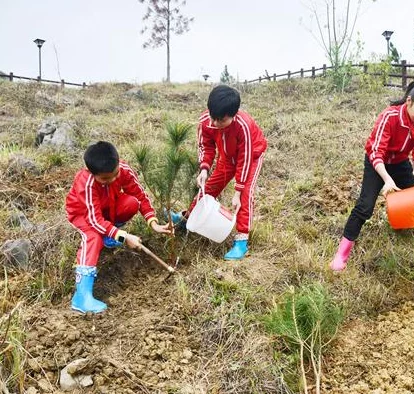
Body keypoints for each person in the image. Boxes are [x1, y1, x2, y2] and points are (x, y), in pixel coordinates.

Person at [329, 81, 414, 271]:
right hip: (377, 163)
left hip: (400, 162)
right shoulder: (390, 116)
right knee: (365, 207)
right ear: (409, 101)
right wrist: (387, 179)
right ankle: (341, 255)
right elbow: (376, 151)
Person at [66, 141, 172, 313]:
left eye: (115, 174)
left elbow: (140, 195)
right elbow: (94, 220)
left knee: (131, 203)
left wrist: (153, 222)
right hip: (84, 215)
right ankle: (81, 296)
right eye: (105, 179)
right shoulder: (85, 183)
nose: (113, 180)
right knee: (93, 237)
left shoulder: (123, 169)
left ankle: (110, 235)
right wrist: (123, 237)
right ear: (92, 174)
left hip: (109, 207)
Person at [172, 85, 267, 260]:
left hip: (251, 157)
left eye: (221, 120)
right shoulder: (206, 121)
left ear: (234, 114)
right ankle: (186, 219)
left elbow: (244, 159)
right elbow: (206, 147)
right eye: (213, 117)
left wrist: (237, 191)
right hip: (226, 157)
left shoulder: (242, 126)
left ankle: (241, 242)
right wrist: (204, 169)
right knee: (208, 189)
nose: (215, 123)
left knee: (245, 195)